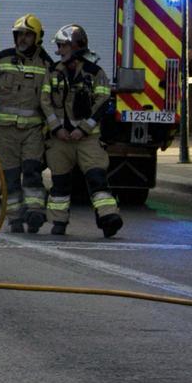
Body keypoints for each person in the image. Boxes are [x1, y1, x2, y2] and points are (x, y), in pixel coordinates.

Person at [41, 23, 122, 238]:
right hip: (60, 139)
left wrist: (83, 129)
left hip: (87, 139)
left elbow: (102, 102)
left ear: (75, 46)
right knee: (60, 183)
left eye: (61, 46)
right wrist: (56, 128)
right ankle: (58, 222)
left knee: (97, 177)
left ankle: (108, 218)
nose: (58, 51)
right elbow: (45, 102)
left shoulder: (95, 73)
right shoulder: (52, 73)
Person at [0, 14, 53, 233]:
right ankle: (15, 218)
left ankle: (35, 213)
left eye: (28, 35)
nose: (23, 39)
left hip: (32, 131)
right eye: (20, 34)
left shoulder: (47, 64)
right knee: (10, 177)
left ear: (37, 37)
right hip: (5, 131)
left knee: (32, 172)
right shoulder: (3, 58)